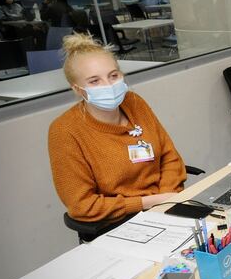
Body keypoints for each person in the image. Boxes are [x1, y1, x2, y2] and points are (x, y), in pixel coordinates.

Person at [48, 33, 186, 227]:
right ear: (77, 89)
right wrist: (149, 202)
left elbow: (169, 157)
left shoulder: (134, 102)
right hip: (120, 222)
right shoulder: (65, 130)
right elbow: (82, 205)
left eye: (113, 76)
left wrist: (167, 198)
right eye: (94, 81)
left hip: (166, 205)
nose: (108, 85)